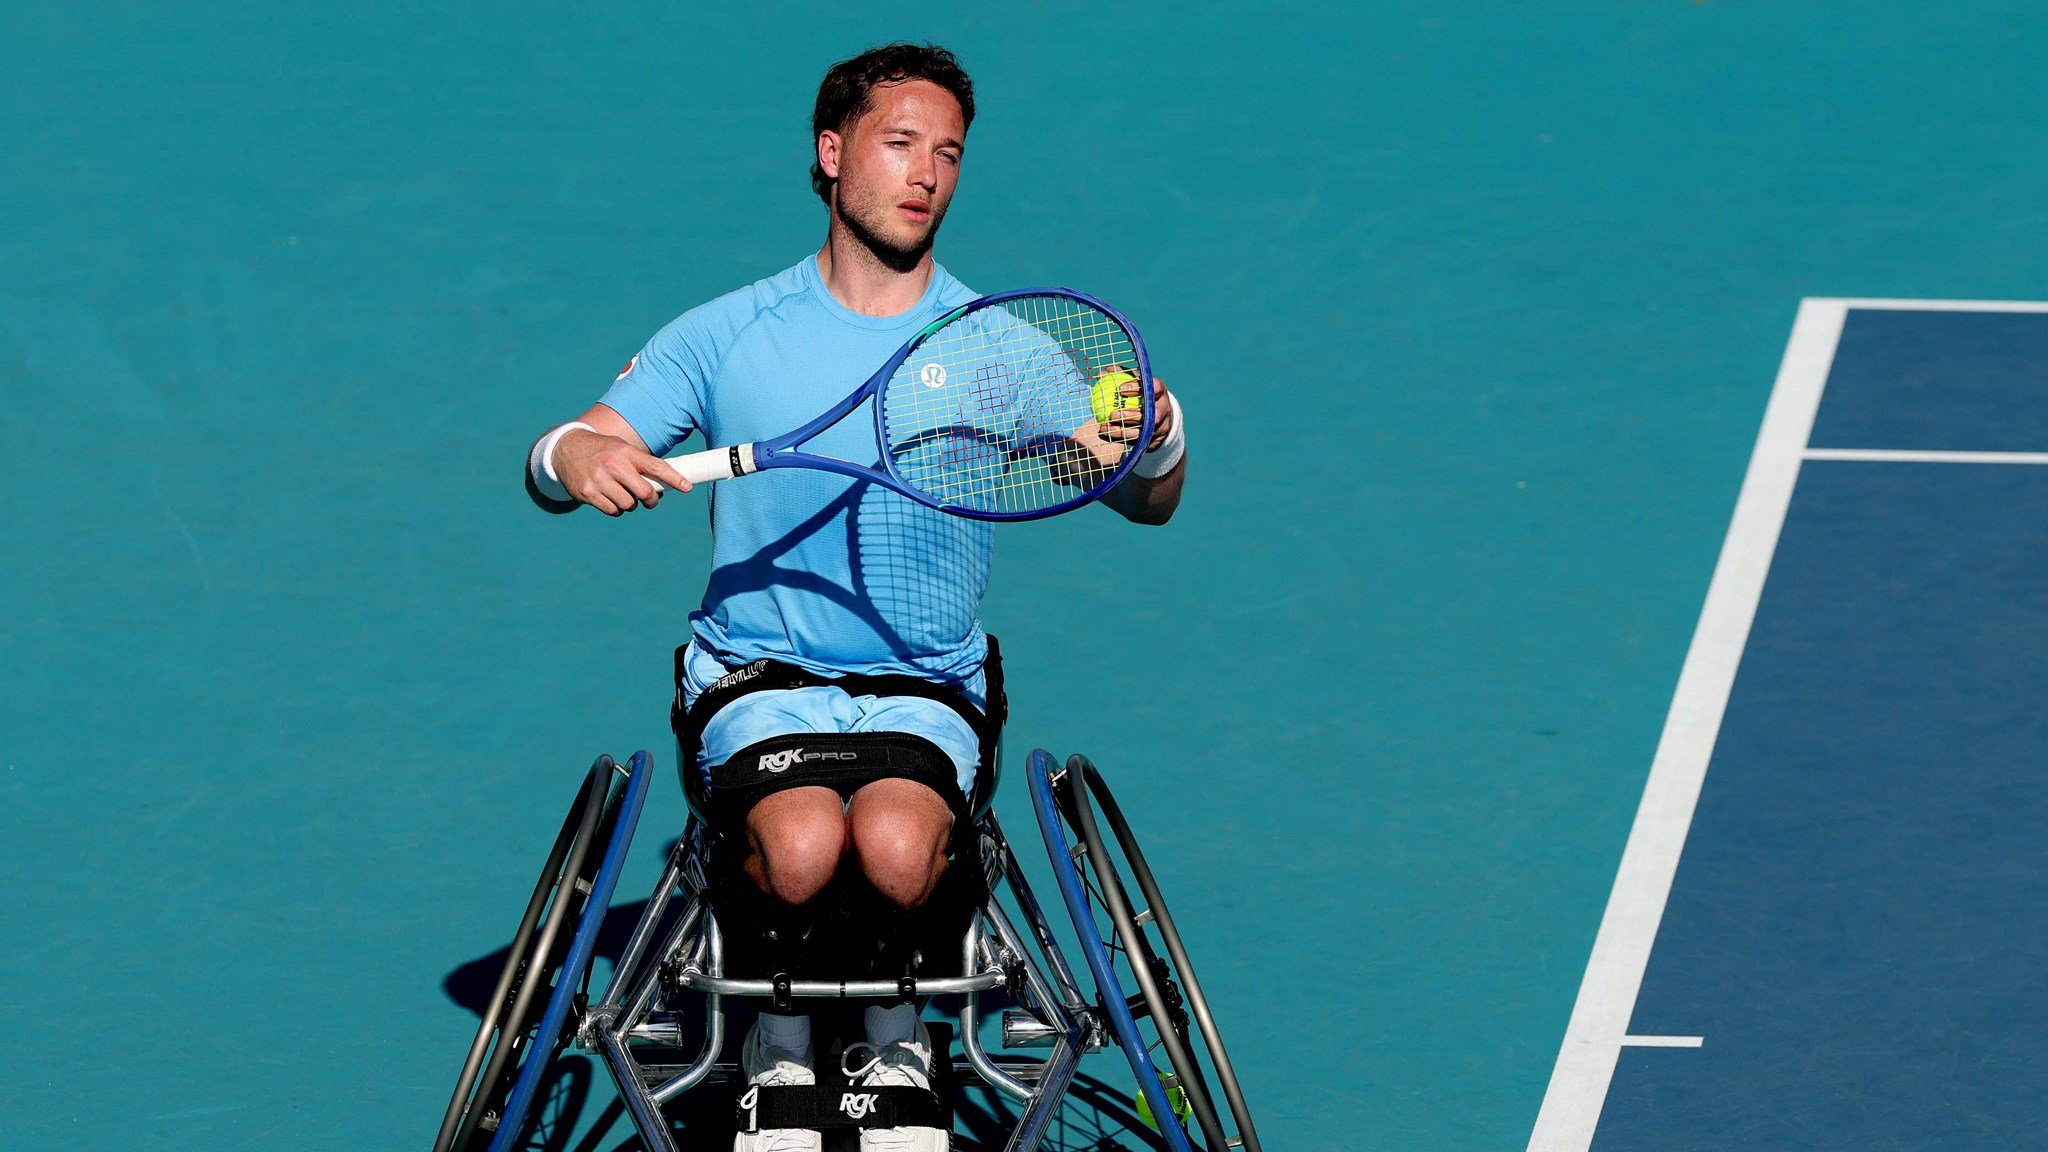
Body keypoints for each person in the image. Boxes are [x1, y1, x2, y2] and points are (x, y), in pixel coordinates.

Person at [523, 43, 1185, 1152]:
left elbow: (1141, 496)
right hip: (758, 678)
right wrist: (572, 455)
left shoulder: (997, 348)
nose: (925, 173)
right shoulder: (728, 331)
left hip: (923, 685)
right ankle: (777, 1047)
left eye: (948, 154)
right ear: (832, 154)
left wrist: (1153, 438)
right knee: (795, 849)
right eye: (899, 143)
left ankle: (895, 1041)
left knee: (889, 843)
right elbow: (568, 450)